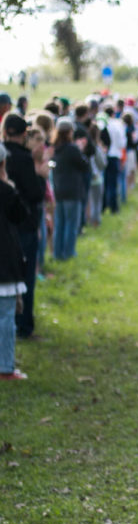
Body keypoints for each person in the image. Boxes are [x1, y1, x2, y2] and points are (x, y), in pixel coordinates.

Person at [3, 113, 45, 339]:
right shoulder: (23, 157)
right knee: (25, 277)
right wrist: (40, 176)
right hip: (23, 223)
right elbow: (35, 194)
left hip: (4, 225)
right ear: (22, 134)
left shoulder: (4, 154)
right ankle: (24, 324)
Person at [0, 142, 29, 379]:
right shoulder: (6, 191)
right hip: (4, 260)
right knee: (6, 316)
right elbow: (21, 215)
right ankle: (5, 366)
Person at [50, 118, 89, 260]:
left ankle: (57, 253)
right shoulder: (72, 149)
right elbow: (85, 166)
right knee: (71, 224)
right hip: (72, 191)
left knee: (59, 224)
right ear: (69, 132)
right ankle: (68, 253)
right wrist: (81, 150)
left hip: (58, 190)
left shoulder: (54, 148)